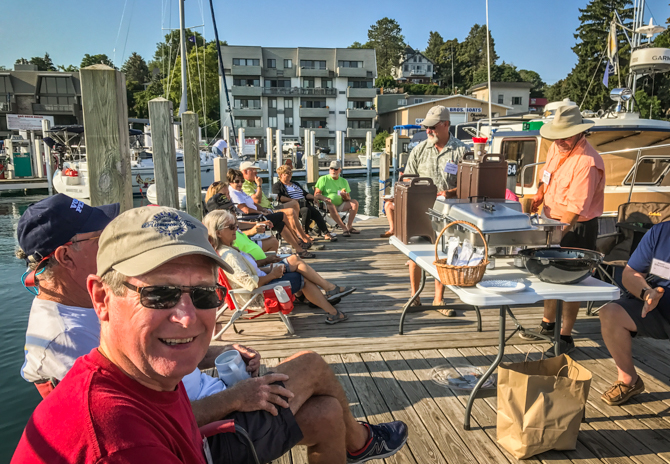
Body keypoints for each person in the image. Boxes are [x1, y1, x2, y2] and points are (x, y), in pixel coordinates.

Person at [12, 206, 409, 464]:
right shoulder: (119, 443)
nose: (187, 318)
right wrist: (237, 396)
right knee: (312, 369)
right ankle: (363, 443)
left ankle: (358, 443)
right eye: (159, 294)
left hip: (198, 430)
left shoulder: (150, 383)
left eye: (204, 294)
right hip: (210, 434)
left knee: (324, 414)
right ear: (102, 298)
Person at [521, 105, 605, 357]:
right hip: (550, 220)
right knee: (548, 273)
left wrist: (557, 235)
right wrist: (539, 194)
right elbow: (547, 176)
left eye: (565, 135)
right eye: (557, 135)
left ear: (581, 133)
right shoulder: (557, 148)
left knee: (571, 282)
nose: (560, 140)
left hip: (576, 227)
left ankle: (565, 337)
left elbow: (575, 210)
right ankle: (548, 324)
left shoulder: (587, 162)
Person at [205, 209, 355, 324]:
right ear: (218, 233)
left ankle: (327, 295)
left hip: (263, 281)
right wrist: (273, 274)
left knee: (294, 261)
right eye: (231, 227)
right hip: (258, 295)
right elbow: (251, 283)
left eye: (236, 225)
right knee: (301, 277)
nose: (236, 230)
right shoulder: (229, 255)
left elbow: (249, 272)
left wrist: (266, 263)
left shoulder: (227, 250)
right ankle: (330, 301)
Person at [396, 105, 468, 315]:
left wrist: (449, 193)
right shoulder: (419, 149)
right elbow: (407, 178)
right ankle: (414, 296)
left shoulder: (462, 151)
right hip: (420, 211)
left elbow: (467, 184)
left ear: (446, 124)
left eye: (432, 127)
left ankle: (439, 299)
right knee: (415, 254)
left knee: (442, 255)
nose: (428, 131)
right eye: (426, 127)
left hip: (448, 213)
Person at [598, 221, 670, 405]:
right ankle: (628, 380)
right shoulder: (660, 232)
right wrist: (647, 293)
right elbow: (631, 273)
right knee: (610, 312)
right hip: (657, 308)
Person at [228, 169, 316, 259]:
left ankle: (299, 249)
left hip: (258, 215)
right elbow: (246, 210)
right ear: (230, 182)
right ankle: (298, 241)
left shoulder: (240, 191)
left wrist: (263, 209)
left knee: (281, 224)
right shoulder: (233, 193)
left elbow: (253, 204)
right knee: (282, 215)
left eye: (241, 181)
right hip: (252, 218)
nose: (240, 184)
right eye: (237, 181)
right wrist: (261, 212)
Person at [240, 160, 315, 247]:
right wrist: (259, 185)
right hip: (263, 212)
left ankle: (298, 231)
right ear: (245, 171)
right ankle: (303, 237)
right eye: (253, 170)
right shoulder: (245, 185)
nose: (256, 173)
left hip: (270, 207)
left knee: (294, 203)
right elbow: (257, 201)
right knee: (290, 212)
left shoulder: (253, 183)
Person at [273, 164, 338, 241]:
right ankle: (305, 234)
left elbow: (305, 194)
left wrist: (313, 197)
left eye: (290, 173)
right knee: (306, 211)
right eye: (287, 173)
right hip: (292, 206)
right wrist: (292, 200)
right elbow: (279, 197)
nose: (290, 174)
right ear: (281, 175)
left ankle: (326, 233)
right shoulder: (277, 185)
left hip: (303, 203)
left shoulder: (295, 184)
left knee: (315, 212)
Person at [314, 160, 360, 237]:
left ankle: (349, 226)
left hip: (341, 203)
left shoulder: (344, 181)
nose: (333, 171)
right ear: (329, 169)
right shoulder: (323, 179)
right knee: (331, 204)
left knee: (354, 203)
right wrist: (325, 198)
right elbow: (316, 194)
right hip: (327, 204)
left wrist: (345, 196)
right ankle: (344, 228)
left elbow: (348, 198)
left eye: (335, 169)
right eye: (331, 168)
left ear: (340, 170)